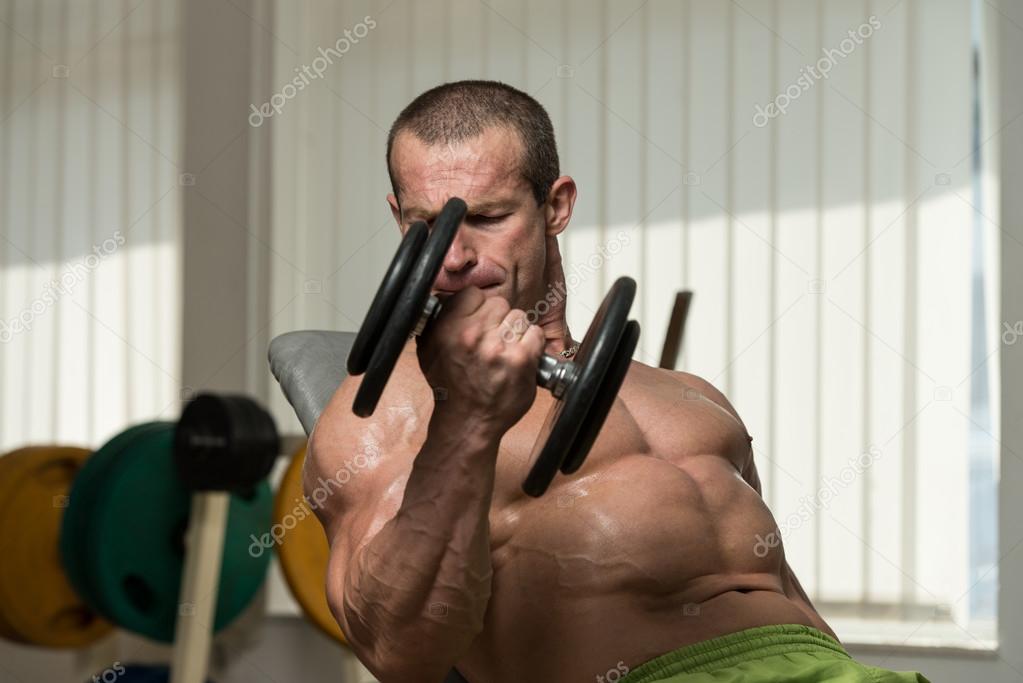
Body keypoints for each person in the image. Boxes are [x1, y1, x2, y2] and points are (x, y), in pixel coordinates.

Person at [306, 80, 928, 683]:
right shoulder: (384, 414)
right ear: (398, 219)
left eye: (489, 216)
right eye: (427, 225)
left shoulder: (692, 396)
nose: (454, 257)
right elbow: (397, 649)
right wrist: (466, 420)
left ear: (556, 205)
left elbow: (781, 590)